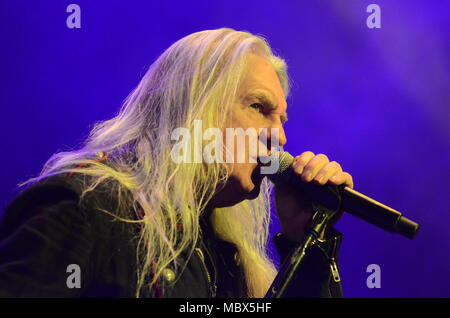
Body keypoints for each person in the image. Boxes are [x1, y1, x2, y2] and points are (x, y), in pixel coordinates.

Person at [0, 28, 353, 298]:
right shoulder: (87, 208)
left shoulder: (228, 261)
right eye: (259, 108)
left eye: (281, 119)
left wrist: (306, 241)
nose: (279, 138)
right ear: (194, 108)